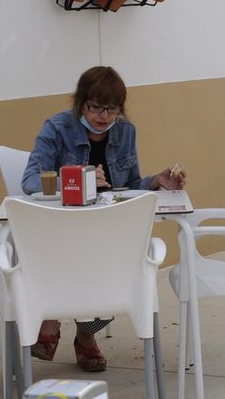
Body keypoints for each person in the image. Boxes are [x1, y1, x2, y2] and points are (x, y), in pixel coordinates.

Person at [22, 65, 186, 372]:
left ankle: (83, 332)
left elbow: (129, 184)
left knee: (118, 254)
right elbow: (30, 180)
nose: (104, 116)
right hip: (62, 228)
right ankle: (55, 316)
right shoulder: (57, 128)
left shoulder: (126, 132)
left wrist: (155, 182)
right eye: (96, 107)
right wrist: (76, 179)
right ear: (81, 103)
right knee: (76, 252)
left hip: (108, 228)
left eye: (112, 109)